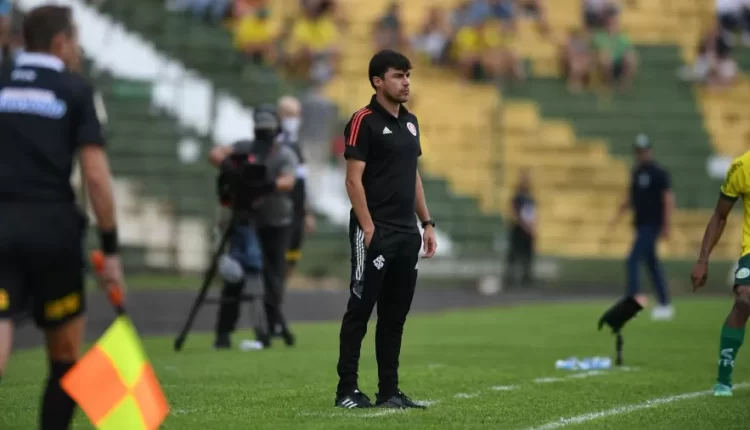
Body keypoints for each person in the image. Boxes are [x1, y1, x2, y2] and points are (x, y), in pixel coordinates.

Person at [0, 5, 124, 430]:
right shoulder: (75, 89)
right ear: (60, 42)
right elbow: (95, 177)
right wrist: (109, 249)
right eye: (75, 39)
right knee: (65, 354)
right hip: (53, 227)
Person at [335, 49, 438, 410]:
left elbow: (413, 176)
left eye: (408, 74)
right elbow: (353, 181)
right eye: (398, 75)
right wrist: (367, 227)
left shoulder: (410, 122)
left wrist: (426, 222)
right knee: (360, 312)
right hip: (375, 233)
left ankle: (389, 391)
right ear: (378, 81)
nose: (406, 81)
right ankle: (346, 389)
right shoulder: (363, 120)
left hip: (406, 233)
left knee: (394, 317)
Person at [209, 104, 298, 350]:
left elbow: (289, 181)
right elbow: (216, 154)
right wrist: (230, 167)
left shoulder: (284, 153)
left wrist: (267, 185)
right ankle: (223, 333)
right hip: (246, 220)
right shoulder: (244, 148)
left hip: (275, 223)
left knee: (273, 279)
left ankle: (269, 328)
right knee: (235, 278)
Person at [692, 149, 750, 397]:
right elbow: (719, 215)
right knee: (744, 298)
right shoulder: (742, 167)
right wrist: (703, 260)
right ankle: (724, 377)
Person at [608, 134, 674, 320]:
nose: (641, 155)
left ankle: (632, 302)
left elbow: (667, 199)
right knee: (652, 264)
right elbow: (630, 198)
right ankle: (664, 304)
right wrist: (616, 217)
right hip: (641, 225)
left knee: (632, 259)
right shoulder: (637, 173)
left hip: (652, 225)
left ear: (649, 151)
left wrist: (666, 225)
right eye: (638, 151)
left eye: (643, 151)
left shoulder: (659, 173)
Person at [278, 95, 316, 280]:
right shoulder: (274, 143)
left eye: (296, 115)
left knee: (292, 253)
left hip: (297, 211)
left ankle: (279, 292)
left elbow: (302, 183)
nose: (294, 119)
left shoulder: (296, 146)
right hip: (279, 208)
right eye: (290, 114)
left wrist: (307, 212)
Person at [505, 169, 536, 288]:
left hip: (527, 230)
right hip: (518, 229)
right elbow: (514, 213)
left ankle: (526, 278)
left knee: (527, 255)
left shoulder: (530, 198)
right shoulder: (517, 197)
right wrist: (524, 225)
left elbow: (533, 214)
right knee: (514, 254)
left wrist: (532, 227)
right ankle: (510, 277)